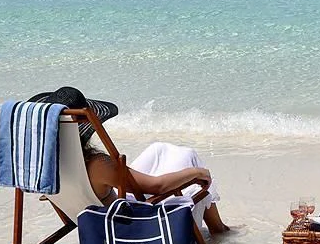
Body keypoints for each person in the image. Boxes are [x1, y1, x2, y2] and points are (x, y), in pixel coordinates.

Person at [29, 86, 231, 235]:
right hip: (127, 225)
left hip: (91, 216)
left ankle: (217, 225)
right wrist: (198, 174)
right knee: (189, 160)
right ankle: (219, 230)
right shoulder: (96, 163)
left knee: (159, 149)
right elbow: (158, 187)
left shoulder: (39, 164)